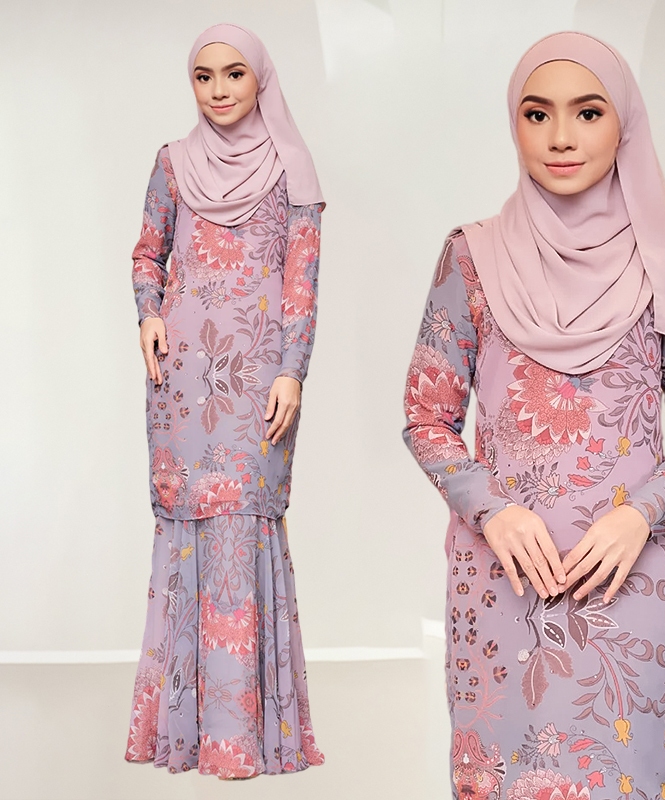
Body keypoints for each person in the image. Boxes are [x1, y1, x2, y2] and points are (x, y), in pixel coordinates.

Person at [402, 32, 665, 799]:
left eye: (588, 113)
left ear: (624, 124)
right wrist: (493, 511)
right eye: (536, 113)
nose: (560, 137)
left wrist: (639, 516)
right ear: (514, 124)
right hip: (502, 587)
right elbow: (426, 416)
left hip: (631, 588)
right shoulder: (471, 257)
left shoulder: (662, 262)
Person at [125, 23, 325, 779]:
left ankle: (243, 736)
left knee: (244, 524)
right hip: (181, 381)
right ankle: (180, 735)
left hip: (256, 379)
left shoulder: (290, 168)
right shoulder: (172, 163)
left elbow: (301, 282)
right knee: (187, 528)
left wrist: (292, 371)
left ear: (259, 79)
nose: (218, 90)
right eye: (203, 76)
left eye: (234, 73)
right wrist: (148, 314)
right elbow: (148, 252)